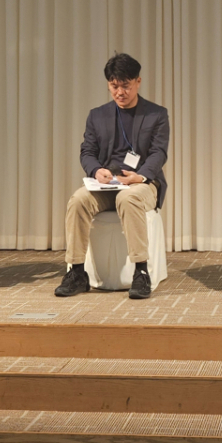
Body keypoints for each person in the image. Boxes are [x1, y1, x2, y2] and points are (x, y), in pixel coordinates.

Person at [55, 52, 169, 300]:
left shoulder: (156, 114)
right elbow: (87, 152)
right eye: (114, 86)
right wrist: (97, 170)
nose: (120, 92)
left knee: (128, 199)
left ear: (138, 82)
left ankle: (141, 271)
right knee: (78, 200)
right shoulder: (97, 115)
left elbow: (159, 153)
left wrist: (139, 177)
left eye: (125, 86)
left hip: (142, 184)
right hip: (107, 185)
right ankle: (76, 272)